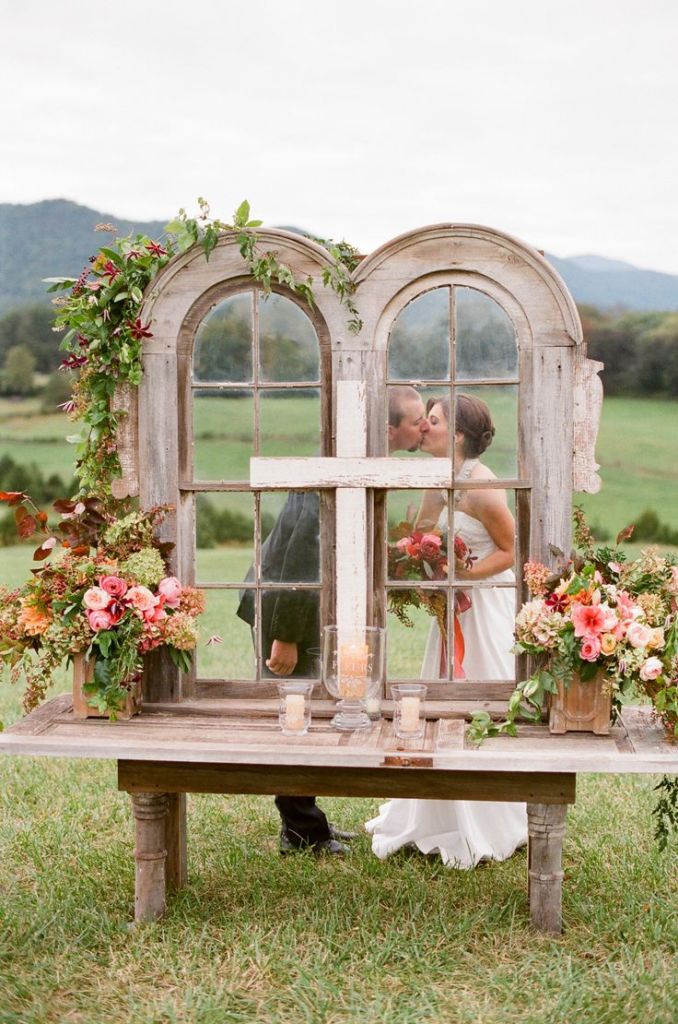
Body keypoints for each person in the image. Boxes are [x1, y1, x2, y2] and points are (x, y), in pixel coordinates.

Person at [237, 385, 430, 855]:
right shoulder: (336, 466)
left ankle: (306, 823)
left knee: (311, 711)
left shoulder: (365, 462)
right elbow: (298, 555)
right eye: (416, 420)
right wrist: (284, 636)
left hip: (311, 604)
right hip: (285, 605)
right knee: (295, 715)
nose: (425, 426)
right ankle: (302, 833)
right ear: (388, 429)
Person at [366, 394, 528, 867]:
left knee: (482, 695)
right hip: (448, 611)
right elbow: (420, 537)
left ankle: (491, 815)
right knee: (439, 700)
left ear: (456, 435)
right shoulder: (435, 481)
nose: (422, 428)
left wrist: (459, 578)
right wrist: (413, 561)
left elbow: (508, 551)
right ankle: (436, 810)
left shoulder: (483, 487)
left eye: (431, 422)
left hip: (482, 607)